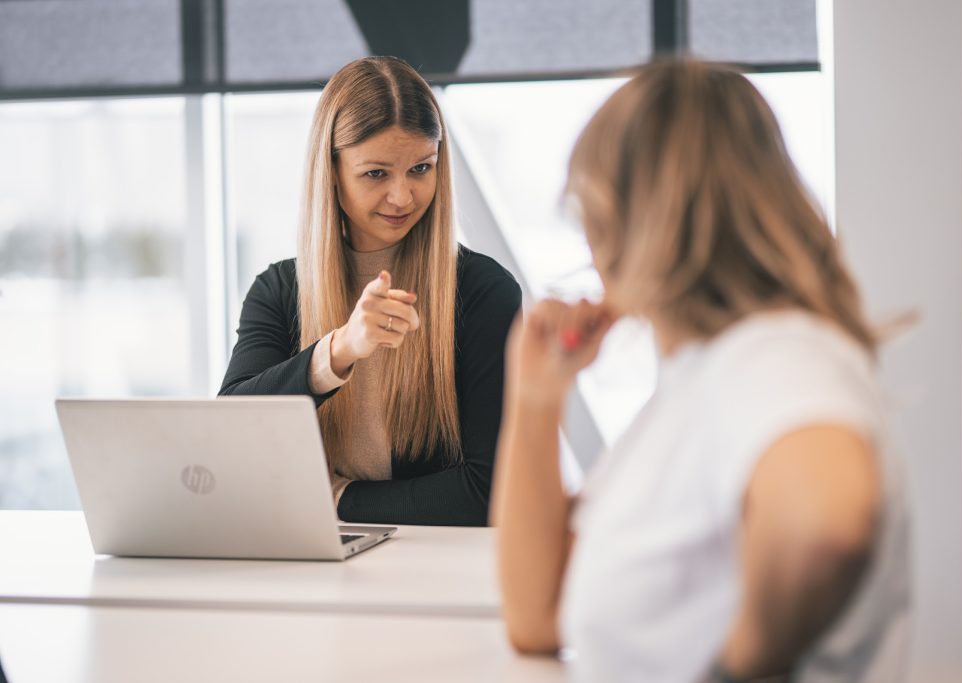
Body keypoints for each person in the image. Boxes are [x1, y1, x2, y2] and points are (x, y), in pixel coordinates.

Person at [491, 59, 909, 682]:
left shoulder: (777, 356)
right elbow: (539, 617)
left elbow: (827, 521)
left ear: (633, 217)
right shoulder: (704, 375)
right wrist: (537, 400)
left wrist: (733, 669)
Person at [220, 56, 521, 526]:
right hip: (311, 563)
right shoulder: (279, 291)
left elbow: (488, 490)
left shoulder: (483, 291)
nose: (402, 197)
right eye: (377, 173)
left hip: (436, 568)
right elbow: (229, 432)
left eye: (421, 169)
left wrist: (338, 498)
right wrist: (336, 352)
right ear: (332, 172)